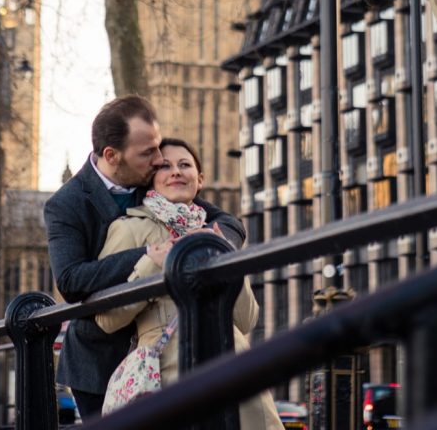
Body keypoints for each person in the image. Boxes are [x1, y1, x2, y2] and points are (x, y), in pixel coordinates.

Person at [44, 95, 245, 420]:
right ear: (112, 155)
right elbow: (70, 280)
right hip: (102, 360)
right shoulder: (65, 204)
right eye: (148, 152)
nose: (159, 159)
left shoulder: (152, 181)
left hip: (170, 349)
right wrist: (149, 254)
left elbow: (227, 222)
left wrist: (216, 245)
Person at [96, 137, 281, 429]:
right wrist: (152, 265)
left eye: (185, 165)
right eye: (165, 166)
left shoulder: (217, 233)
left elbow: (245, 320)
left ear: (200, 179)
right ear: (151, 178)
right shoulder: (128, 229)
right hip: (168, 375)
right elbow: (108, 319)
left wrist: (226, 259)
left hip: (234, 371)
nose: (176, 172)